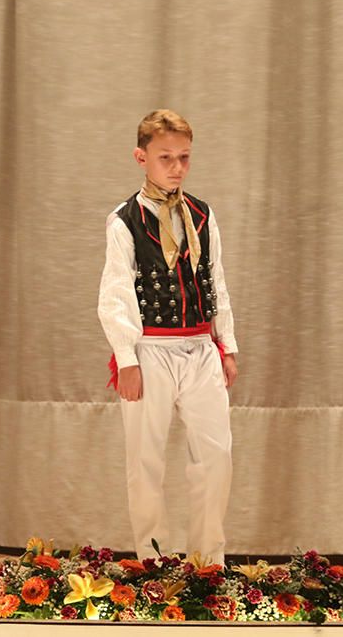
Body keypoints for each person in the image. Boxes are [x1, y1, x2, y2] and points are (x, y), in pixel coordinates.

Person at [98, 110, 238, 564]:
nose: (176, 167)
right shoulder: (124, 220)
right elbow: (116, 293)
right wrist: (127, 359)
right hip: (150, 350)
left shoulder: (201, 214)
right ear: (141, 158)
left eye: (183, 158)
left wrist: (227, 345)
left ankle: (208, 562)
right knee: (146, 462)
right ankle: (153, 563)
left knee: (216, 456)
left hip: (201, 347)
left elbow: (215, 281)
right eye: (165, 158)